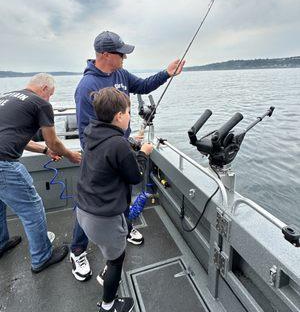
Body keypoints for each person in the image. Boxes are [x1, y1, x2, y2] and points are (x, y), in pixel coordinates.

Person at [70, 30, 185, 281]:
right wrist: (110, 152)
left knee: (123, 195)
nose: (125, 57)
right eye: (121, 53)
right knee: (90, 204)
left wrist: (167, 73)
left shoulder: (121, 74)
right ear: (105, 55)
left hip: (123, 147)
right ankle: (77, 249)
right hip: (102, 156)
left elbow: (143, 85)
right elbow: (84, 131)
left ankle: (124, 228)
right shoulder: (86, 86)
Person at [75, 87, 153, 312]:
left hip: (84, 210)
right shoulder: (118, 144)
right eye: (128, 112)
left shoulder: (92, 131)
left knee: (110, 254)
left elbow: (110, 150)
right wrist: (143, 152)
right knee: (116, 261)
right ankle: (109, 305)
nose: (130, 116)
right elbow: (134, 176)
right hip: (104, 218)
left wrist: (129, 142)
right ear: (119, 116)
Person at [0, 73, 81, 272]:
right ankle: (41, 257)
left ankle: (1, 243)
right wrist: (71, 155)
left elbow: (17, 138)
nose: (49, 99)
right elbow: (53, 140)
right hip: (4, 165)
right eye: (50, 94)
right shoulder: (40, 103)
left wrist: (45, 151)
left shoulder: (6, 97)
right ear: (44, 88)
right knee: (32, 210)